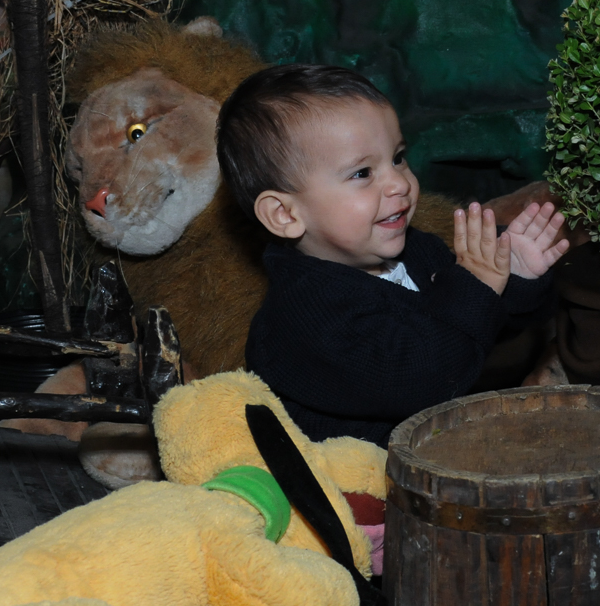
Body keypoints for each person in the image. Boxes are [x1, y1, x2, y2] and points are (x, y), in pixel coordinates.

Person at [216, 64, 569, 446]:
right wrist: (476, 285)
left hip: (439, 449)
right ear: (285, 214)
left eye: (398, 157)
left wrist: (514, 276)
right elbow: (424, 381)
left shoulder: (417, 251)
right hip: (359, 476)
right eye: (362, 173)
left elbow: (477, 330)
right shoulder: (300, 317)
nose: (399, 183)